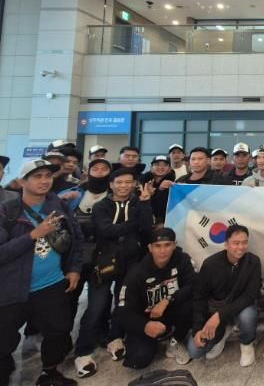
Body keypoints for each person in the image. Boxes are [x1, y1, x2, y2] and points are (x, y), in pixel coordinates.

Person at [0, 160, 84, 386]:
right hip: (12, 288)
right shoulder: (7, 211)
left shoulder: (59, 206)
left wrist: (74, 268)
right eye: (37, 176)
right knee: (4, 340)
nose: (45, 181)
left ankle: (49, 372)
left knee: (58, 332)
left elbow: (76, 238)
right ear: (22, 182)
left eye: (48, 175)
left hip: (52, 284)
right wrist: (33, 235)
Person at [74, 168, 155, 377]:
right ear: (111, 184)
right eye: (119, 182)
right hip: (104, 262)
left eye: (128, 182)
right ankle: (83, 351)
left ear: (134, 184)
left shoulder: (139, 203)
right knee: (96, 306)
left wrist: (145, 204)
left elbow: (147, 228)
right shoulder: (101, 206)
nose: (124, 186)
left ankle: (115, 337)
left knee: (123, 302)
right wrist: (134, 223)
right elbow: (107, 230)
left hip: (131, 262)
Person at [114, 227, 195, 369]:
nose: (162, 251)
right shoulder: (137, 273)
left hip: (171, 310)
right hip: (147, 318)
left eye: (167, 245)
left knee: (193, 303)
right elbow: (123, 309)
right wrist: (144, 326)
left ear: (174, 245)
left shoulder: (182, 260)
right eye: (157, 246)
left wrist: (168, 300)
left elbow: (193, 284)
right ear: (150, 248)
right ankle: (150, 339)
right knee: (138, 359)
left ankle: (175, 340)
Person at [188, 224, 261, 366]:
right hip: (215, 310)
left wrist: (219, 316)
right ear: (226, 244)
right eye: (236, 243)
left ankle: (247, 343)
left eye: (244, 242)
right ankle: (222, 333)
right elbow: (199, 298)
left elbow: (250, 296)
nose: (241, 247)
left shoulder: (253, 262)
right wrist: (197, 329)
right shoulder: (210, 264)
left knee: (248, 315)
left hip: (239, 307)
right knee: (194, 351)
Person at [58, 159, 112, 336]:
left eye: (104, 169)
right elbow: (52, 211)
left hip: (103, 253)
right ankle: (63, 336)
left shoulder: (115, 194)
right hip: (75, 254)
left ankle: (96, 333)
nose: (100, 172)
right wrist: (61, 199)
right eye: (95, 169)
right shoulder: (74, 193)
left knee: (100, 300)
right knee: (70, 295)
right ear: (88, 171)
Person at [140, 156, 175, 225]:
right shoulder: (142, 184)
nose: (160, 167)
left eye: (165, 165)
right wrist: (150, 195)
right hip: (143, 221)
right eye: (157, 164)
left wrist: (160, 191)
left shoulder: (173, 186)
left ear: (169, 169)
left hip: (165, 222)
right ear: (151, 168)